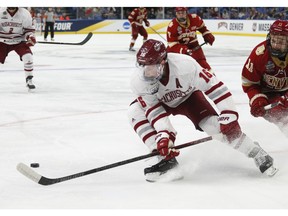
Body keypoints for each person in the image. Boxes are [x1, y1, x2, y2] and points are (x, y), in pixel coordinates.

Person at [127, 39, 278, 182]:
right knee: (135, 111)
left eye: (151, 67)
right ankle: (165, 159)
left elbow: (215, 87)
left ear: (163, 62)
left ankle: (256, 152)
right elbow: (154, 109)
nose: (146, 73)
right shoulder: (138, 81)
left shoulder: (186, 65)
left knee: (216, 127)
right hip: (161, 103)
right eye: (142, 66)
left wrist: (228, 114)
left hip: (189, 97)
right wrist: (165, 135)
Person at [242, 19, 288, 138]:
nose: (277, 46)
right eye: (274, 40)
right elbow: (249, 84)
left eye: (282, 42)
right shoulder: (259, 55)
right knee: (284, 119)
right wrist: (257, 100)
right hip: (267, 95)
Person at [0, 7, 36, 90]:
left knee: (28, 57)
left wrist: (30, 37)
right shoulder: (0, 11)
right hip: (2, 41)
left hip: (19, 41)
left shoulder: (25, 13)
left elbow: (28, 30)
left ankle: (29, 79)